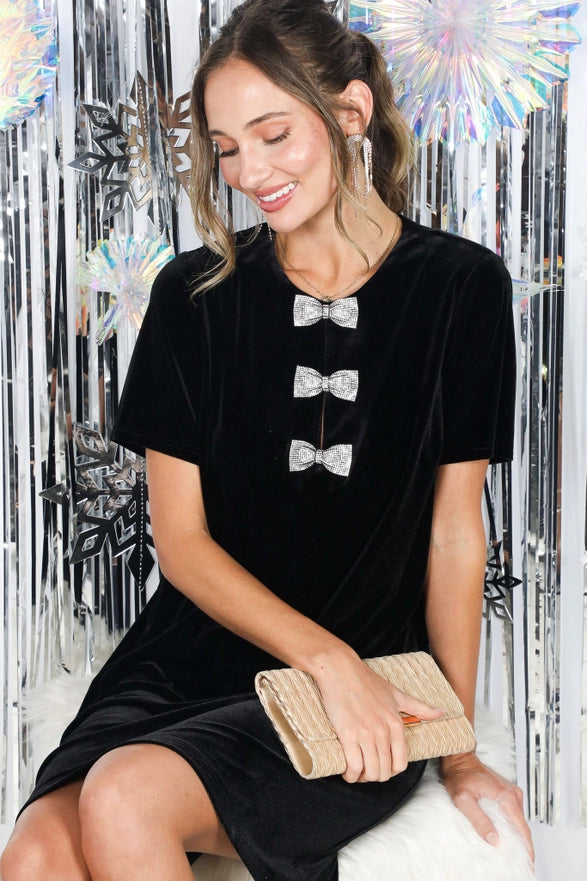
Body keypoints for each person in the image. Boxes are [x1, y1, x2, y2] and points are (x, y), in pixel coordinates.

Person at [1, 1, 534, 880]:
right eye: (227, 146)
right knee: (33, 858)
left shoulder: (460, 288)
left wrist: (456, 743)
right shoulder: (192, 294)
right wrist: (324, 660)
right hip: (186, 656)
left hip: (366, 671)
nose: (249, 170)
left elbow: (452, 532)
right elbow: (180, 546)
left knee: (125, 796)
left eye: (273, 132)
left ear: (350, 114)